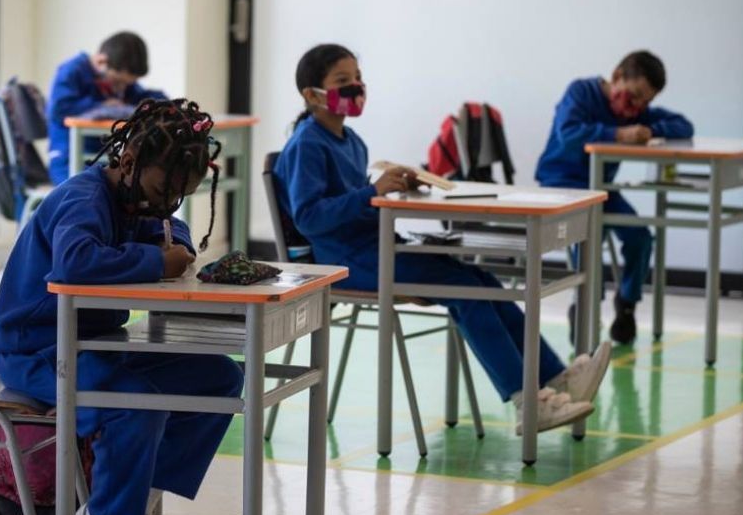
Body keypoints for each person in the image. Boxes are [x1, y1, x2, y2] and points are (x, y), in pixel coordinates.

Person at [273, 43, 611, 435]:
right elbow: (311, 217)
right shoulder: (307, 144)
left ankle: (553, 378)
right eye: (342, 81)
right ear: (311, 94)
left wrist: (394, 185)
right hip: (348, 261)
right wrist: (371, 193)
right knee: (466, 290)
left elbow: (351, 200)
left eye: (358, 79)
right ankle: (526, 401)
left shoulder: (353, 141)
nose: (356, 88)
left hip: (376, 247)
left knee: (483, 280)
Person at [0, 97, 237, 515]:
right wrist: (158, 264)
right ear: (130, 160)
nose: (167, 204)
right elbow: (74, 262)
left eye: (180, 196)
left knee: (218, 377)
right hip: (36, 352)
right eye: (163, 193)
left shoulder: (137, 200)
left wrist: (178, 241)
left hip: (97, 344)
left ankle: (136, 501)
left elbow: (167, 229)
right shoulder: (83, 198)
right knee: (135, 406)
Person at [535, 50, 694, 344]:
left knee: (641, 237)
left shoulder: (638, 112)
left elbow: (684, 126)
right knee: (588, 237)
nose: (637, 107)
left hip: (602, 190)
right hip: (562, 184)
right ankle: (585, 303)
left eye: (646, 101)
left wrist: (649, 130)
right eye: (634, 96)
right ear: (618, 76)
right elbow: (569, 134)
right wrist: (619, 135)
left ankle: (627, 304)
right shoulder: (581, 92)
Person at [45, 31, 168, 185]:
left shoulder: (121, 80)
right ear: (101, 62)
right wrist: (100, 106)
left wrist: (161, 103)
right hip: (67, 159)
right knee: (96, 189)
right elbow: (58, 109)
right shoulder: (72, 71)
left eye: (127, 84)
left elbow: (142, 98)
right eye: (117, 81)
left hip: (100, 159)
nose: (121, 88)